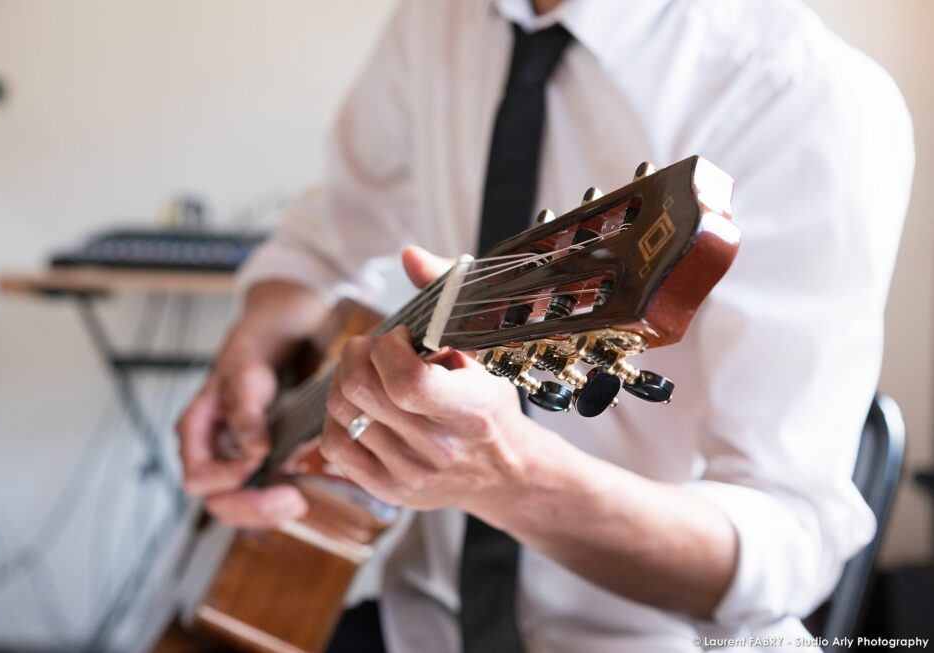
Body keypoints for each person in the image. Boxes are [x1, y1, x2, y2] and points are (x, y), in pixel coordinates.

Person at [176, 0, 914, 651]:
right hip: (420, 621)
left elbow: (788, 548)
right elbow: (334, 227)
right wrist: (255, 345)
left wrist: (512, 479)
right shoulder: (438, 16)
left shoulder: (805, 98)